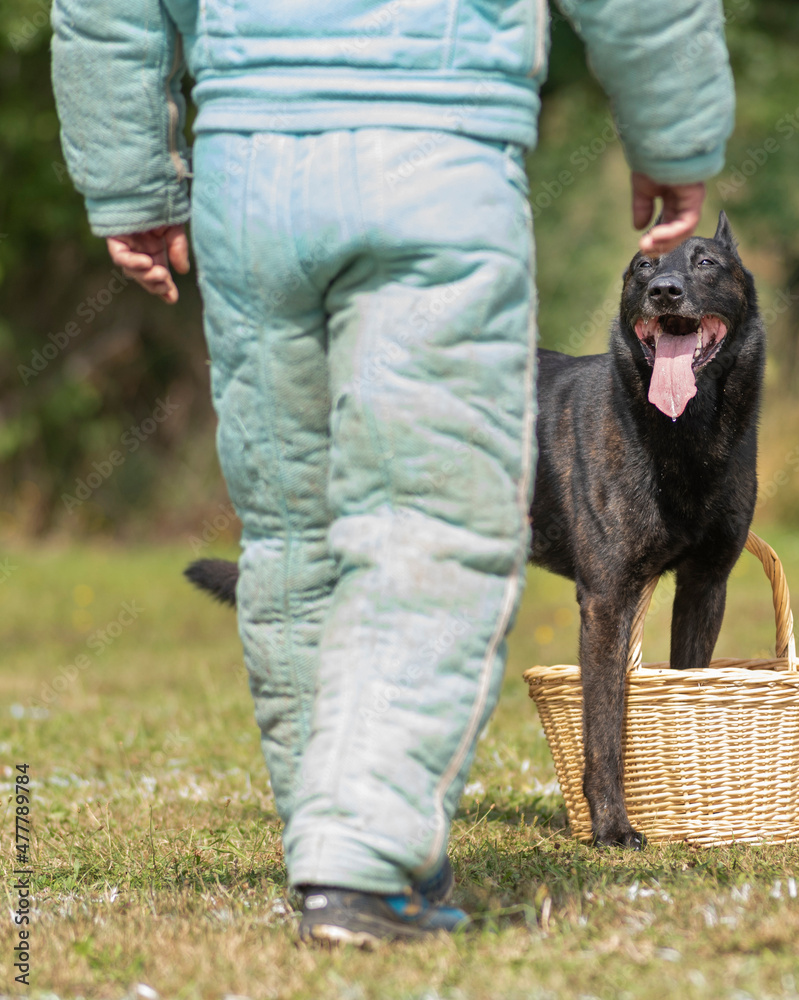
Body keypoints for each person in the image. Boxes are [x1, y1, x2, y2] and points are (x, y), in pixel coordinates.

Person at [51, 0, 735, 945]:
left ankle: (330, 841)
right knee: (432, 521)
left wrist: (126, 176)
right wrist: (677, 131)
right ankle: (366, 855)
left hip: (249, 164)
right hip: (435, 152)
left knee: (293, 532)